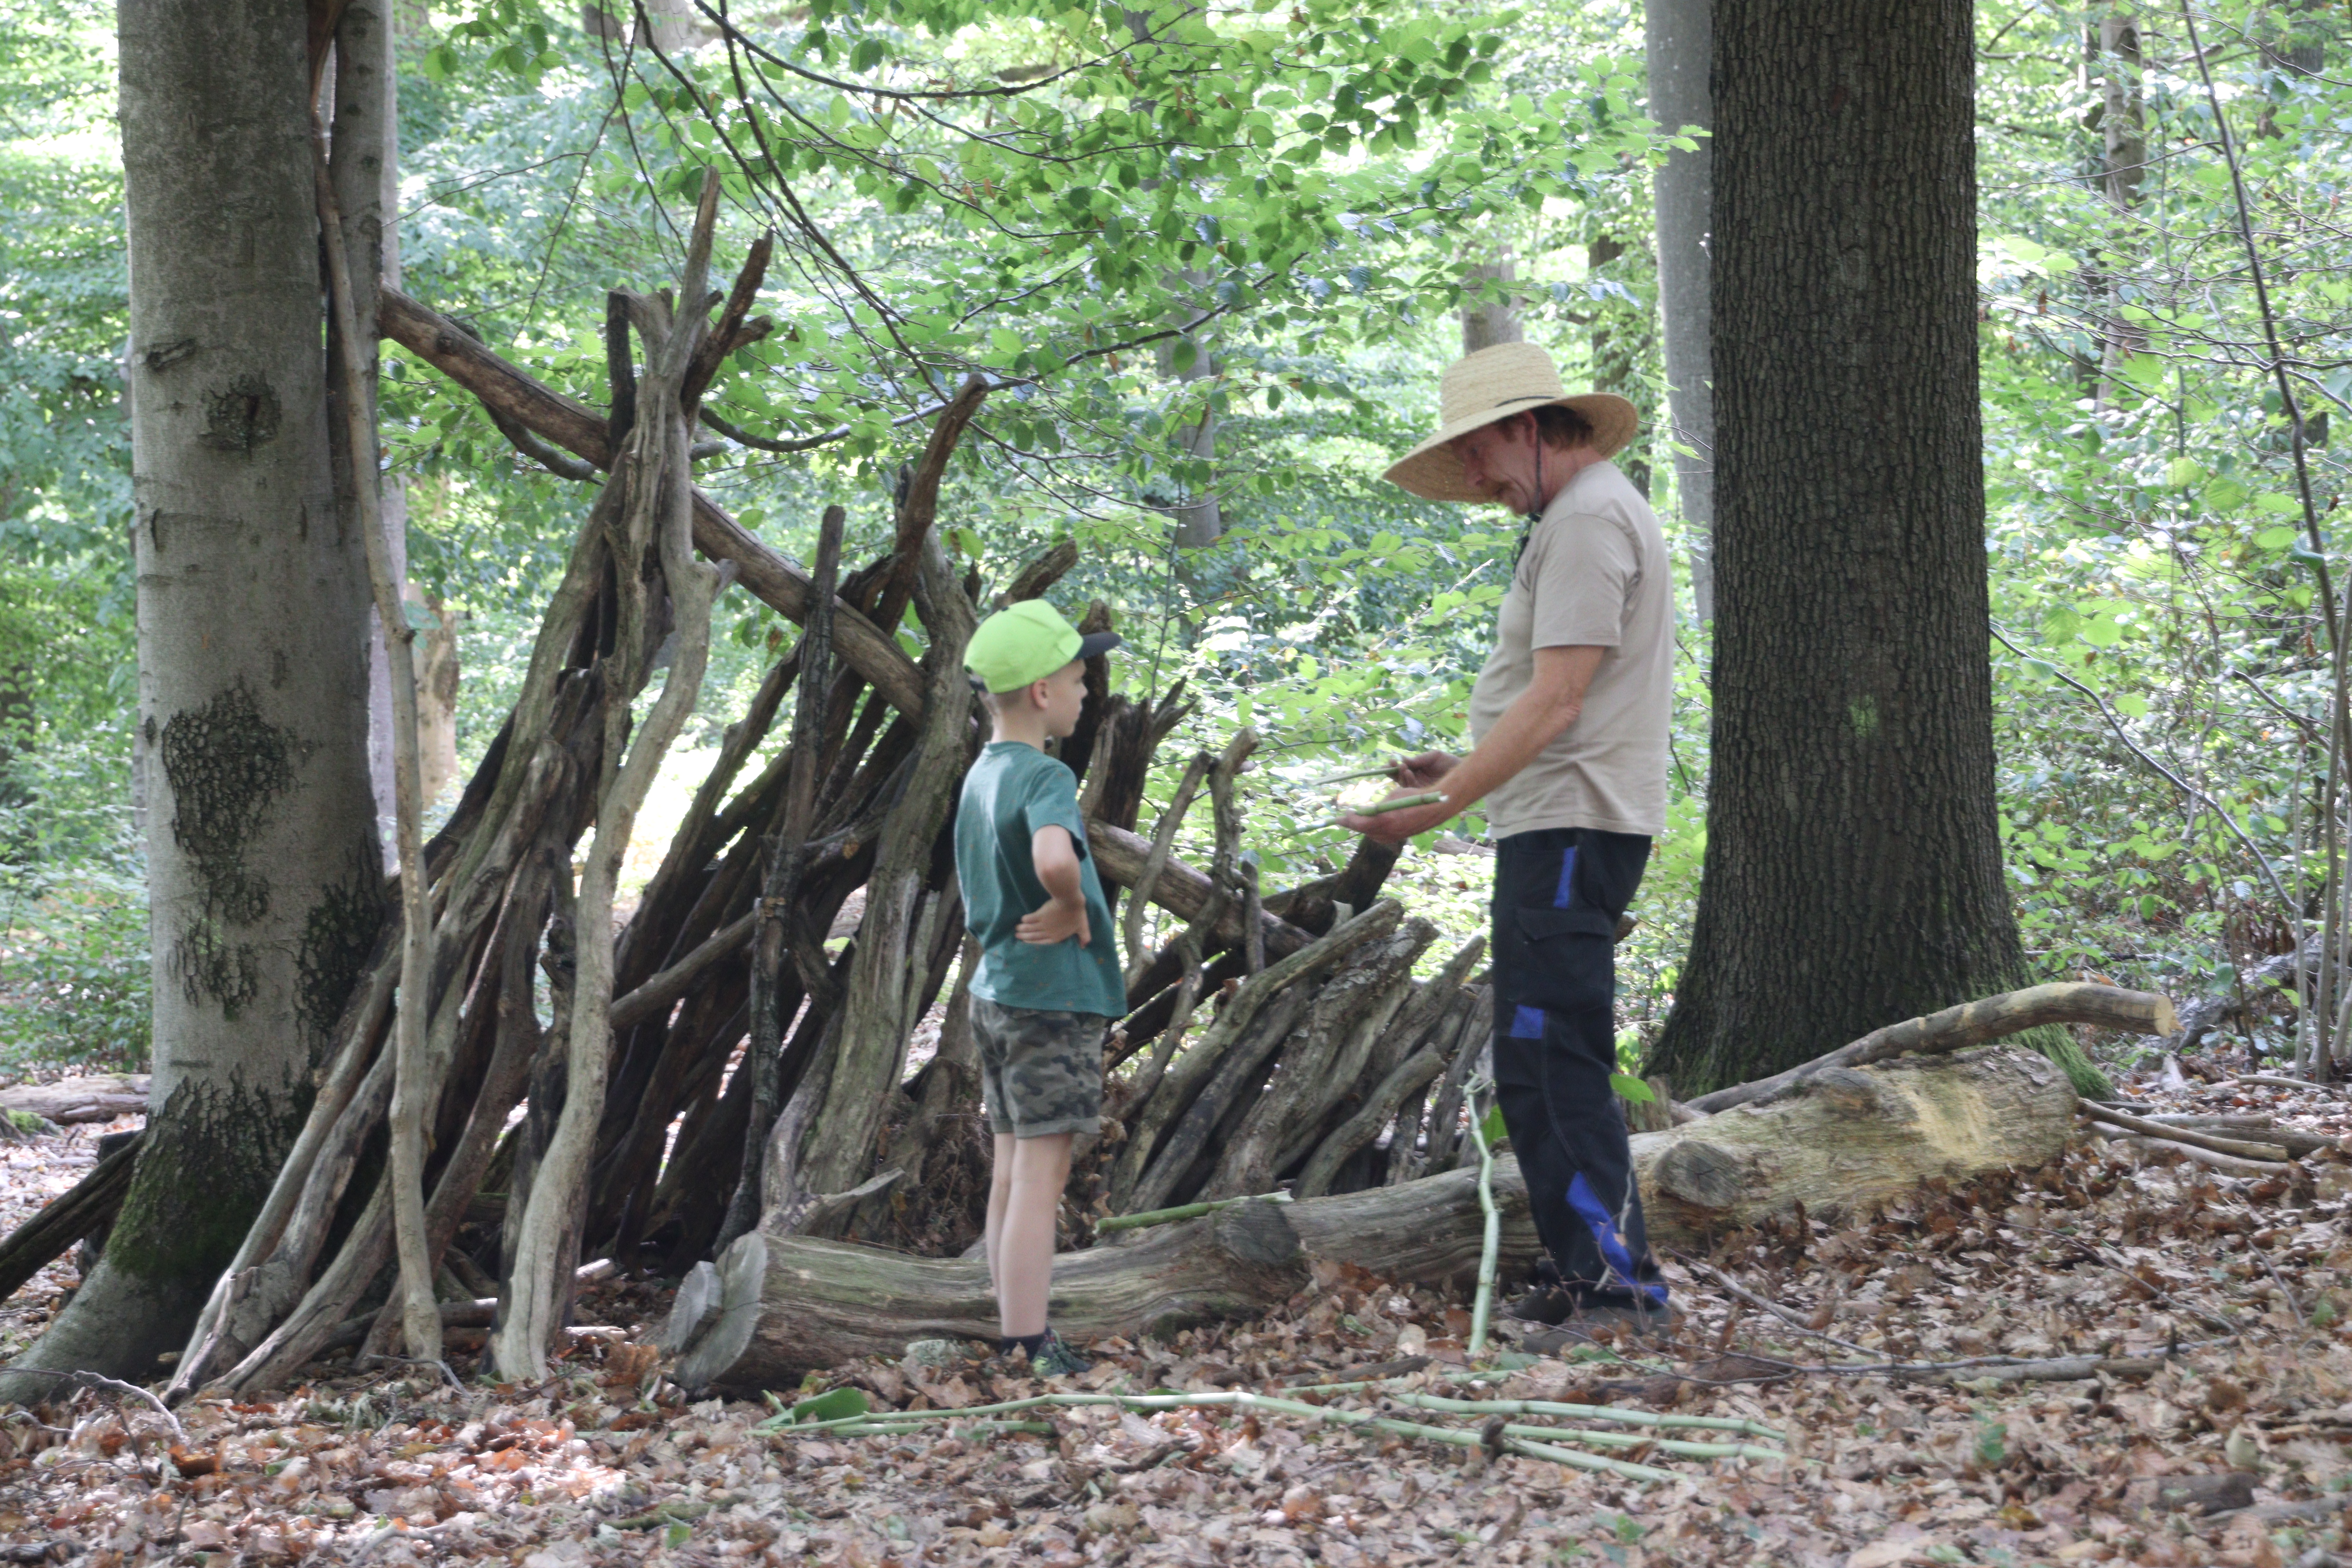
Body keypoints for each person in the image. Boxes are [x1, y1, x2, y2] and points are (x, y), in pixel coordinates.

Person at [1342, 341, 1676, 1337]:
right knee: (1533, 1060)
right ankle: (1585, 1271)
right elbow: (1554, 701)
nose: (1478, 481)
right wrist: (1464, 771)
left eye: (1480, 455)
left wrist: (1442, 810)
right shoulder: (1574, 519)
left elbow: (1562, 698)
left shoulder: (1585, 523)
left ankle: (1619, 1289)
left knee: (1558, 1056)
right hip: (1555, 819)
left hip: (1573, 828)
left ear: (1528, 428)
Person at [955, 598, 1127, 1376]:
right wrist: (1066, 902)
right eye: (1078, 674)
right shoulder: (1046, 773)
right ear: (1040, 694)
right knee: (1041, 1172)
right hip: (1052, 995)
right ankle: (1028, 1340)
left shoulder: (982, 774)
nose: (1088, 685)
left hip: (997, 990)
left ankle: (1009, 1315)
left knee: (1010, 1163)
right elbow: (1056, 856)